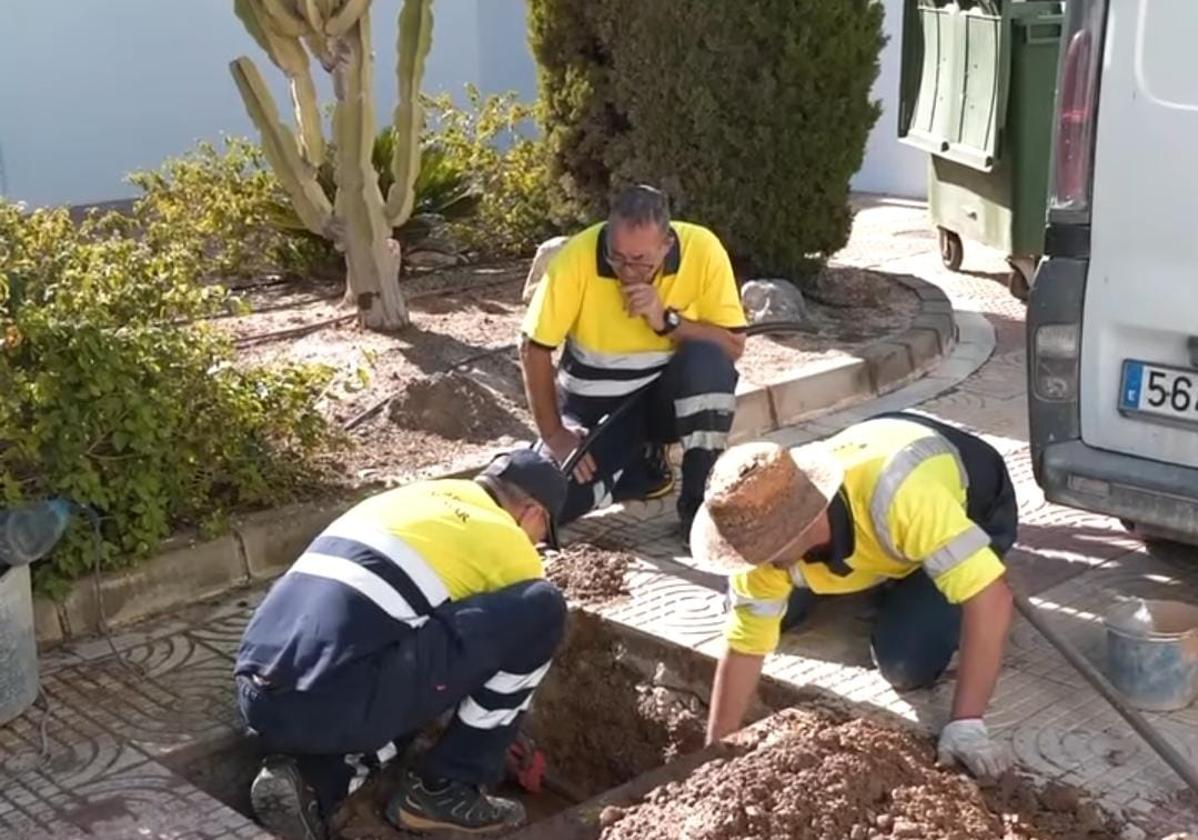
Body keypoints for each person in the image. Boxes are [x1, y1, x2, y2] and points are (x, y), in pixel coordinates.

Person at [233, 449, 569, 839]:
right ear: (532, 513)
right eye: (542, 535)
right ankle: (446, 788)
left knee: (389, 656)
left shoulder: (406, 499)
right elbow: (491, 647)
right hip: (337, 699)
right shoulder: (509, 543)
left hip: (256, 694)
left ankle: (310, 783)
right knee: (544, 608)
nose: (537, 545)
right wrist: (489, 736)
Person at [692, 411, 1018, 779]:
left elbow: (992, 600)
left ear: (803, 523)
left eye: (764, 550)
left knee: (906, 663)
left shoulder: (902, 495)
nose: (752, 561)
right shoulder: (763, 515)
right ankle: (874, 571)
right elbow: (745, 642)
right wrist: (716, 755)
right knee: (764, 607)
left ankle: (913, 568)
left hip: (972, 498)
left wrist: (967, 725)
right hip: (880, 439)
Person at [520, 184, 747, 542]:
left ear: (666, 245)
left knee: (707, 360)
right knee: (552, 504)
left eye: (641, 261)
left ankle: (698, 508)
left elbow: (732, 346)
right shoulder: (577, 256)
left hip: (661, 403)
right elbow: (532, 347)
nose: (627, 270)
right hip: (592, 408)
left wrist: (665, 320)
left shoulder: (702, 249)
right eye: (617, 257)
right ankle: (641, 468)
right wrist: (555, 434)